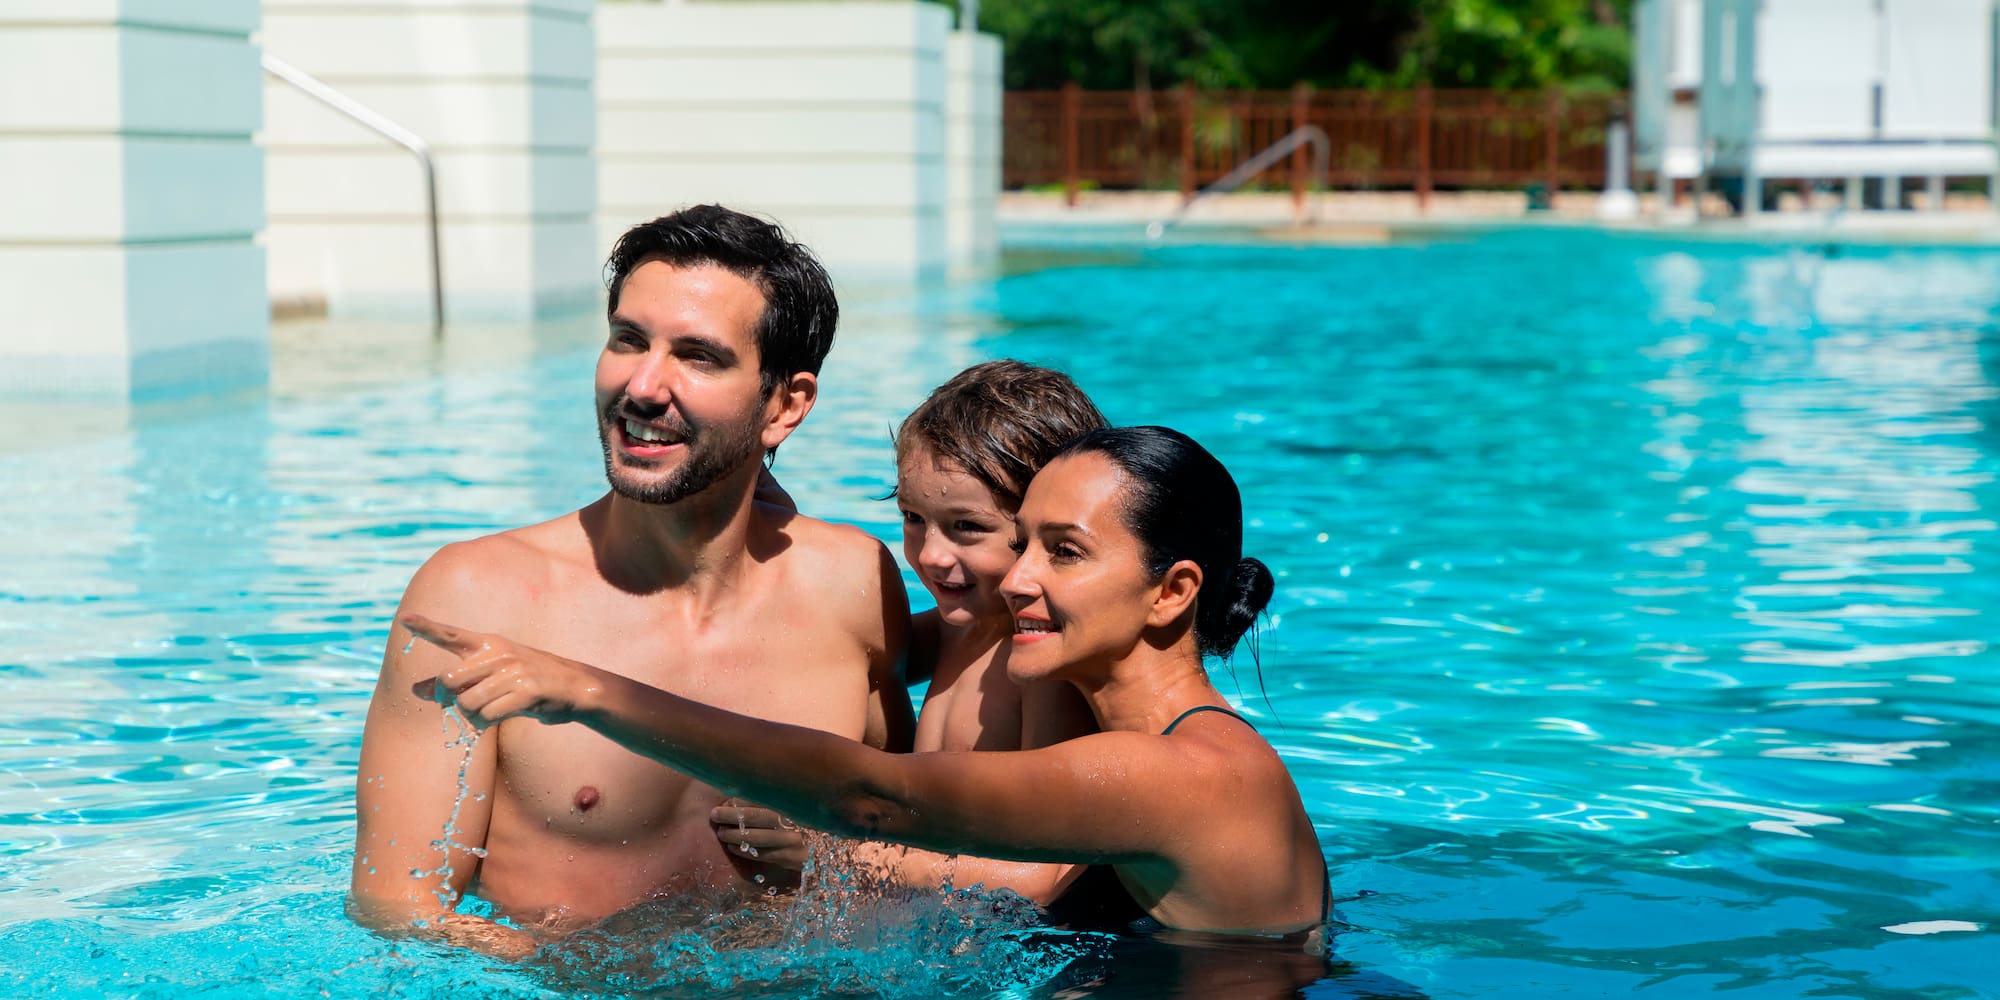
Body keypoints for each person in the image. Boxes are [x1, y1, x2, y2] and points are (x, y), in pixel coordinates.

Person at [407, 426, 1330, 937]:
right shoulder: (1155, 741)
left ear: (1171, 592)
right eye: (1024, 540)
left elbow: (870, 797)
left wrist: (593, 692)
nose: (1015, 579)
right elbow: (891, 643)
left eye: (1065, 552)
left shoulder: (1178, 773)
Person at [349, 205, 916, 956]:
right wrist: (583, 974)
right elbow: (397, 905)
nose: (643, 387)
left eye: (699, 356)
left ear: (785, 405)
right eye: (628, 340)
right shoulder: (477, 598)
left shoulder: (853, 585)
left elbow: (906, 842)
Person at [710, 360, 1106, 897]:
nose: (932, 555)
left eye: (967, 527)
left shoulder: (1042, 671)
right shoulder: (960, 632)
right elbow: (845, 640)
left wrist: (839, 859)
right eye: (913, 518)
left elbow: (1054, 873)